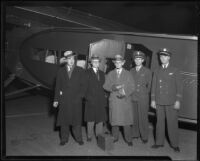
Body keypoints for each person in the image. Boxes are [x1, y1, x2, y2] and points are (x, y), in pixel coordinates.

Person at [151, 48, 182, 152]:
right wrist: (153, 100)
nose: (162, 58)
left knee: (172, 123)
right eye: (161, 56)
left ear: (169, 57)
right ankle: (159, 142)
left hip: (171, 102)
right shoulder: (157, 70)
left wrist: (178, 100)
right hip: (159, 101)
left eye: (164, 56)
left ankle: (175, 144)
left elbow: (179, 87)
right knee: (159, 123)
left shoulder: (175, 70)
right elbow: (154, 86)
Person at [53, 50, 86, 146]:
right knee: (64, 120)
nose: (71, 61)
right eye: (69, 59)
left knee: (76, 121)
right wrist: (56, 99)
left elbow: (84, 86)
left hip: (76, 100)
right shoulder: (61, 71)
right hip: (64, 100)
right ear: (65, 60)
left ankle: (79, 138)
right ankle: (64, 139)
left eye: (72, 58)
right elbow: (57, 86)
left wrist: (80, 96)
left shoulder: (80, 70)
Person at [103, 54, 135, 146]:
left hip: (125, 101)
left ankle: (128, 139)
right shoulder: (110, 73)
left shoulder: (128, 74)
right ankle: (115, 137)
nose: (117, 64)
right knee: (114, 121)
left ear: (123, 63)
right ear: (114, 63)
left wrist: (124, 92)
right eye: (116, 62)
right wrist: (113, 87)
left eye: (119, 62)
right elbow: (105, 85)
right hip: (114, 101)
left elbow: (132, 87)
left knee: (126, 122)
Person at [130, 51, 152, 144]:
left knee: (143, 117)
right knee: (134, 117)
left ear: (143, 60)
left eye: (139, 59)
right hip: (133, 97)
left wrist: (143, 94)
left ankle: (144, 136)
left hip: (143, 98)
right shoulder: (131, 71)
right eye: (136, 59)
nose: (137, 61)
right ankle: (135, 133)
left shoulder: (147, 71)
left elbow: (149, 86)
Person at [84, 55, 107, 142]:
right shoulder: (86, 72)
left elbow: (104, 86)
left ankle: (99, 135)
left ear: (99, 63)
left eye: (97, 62)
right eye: (94, 61)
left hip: (100, 100)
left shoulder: (102, 73)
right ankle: (89, 136)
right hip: (90, 99)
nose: (96, 63)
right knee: (90, 119)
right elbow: (84, 86)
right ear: (91, 63)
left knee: (100, 119)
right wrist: (87, 97)